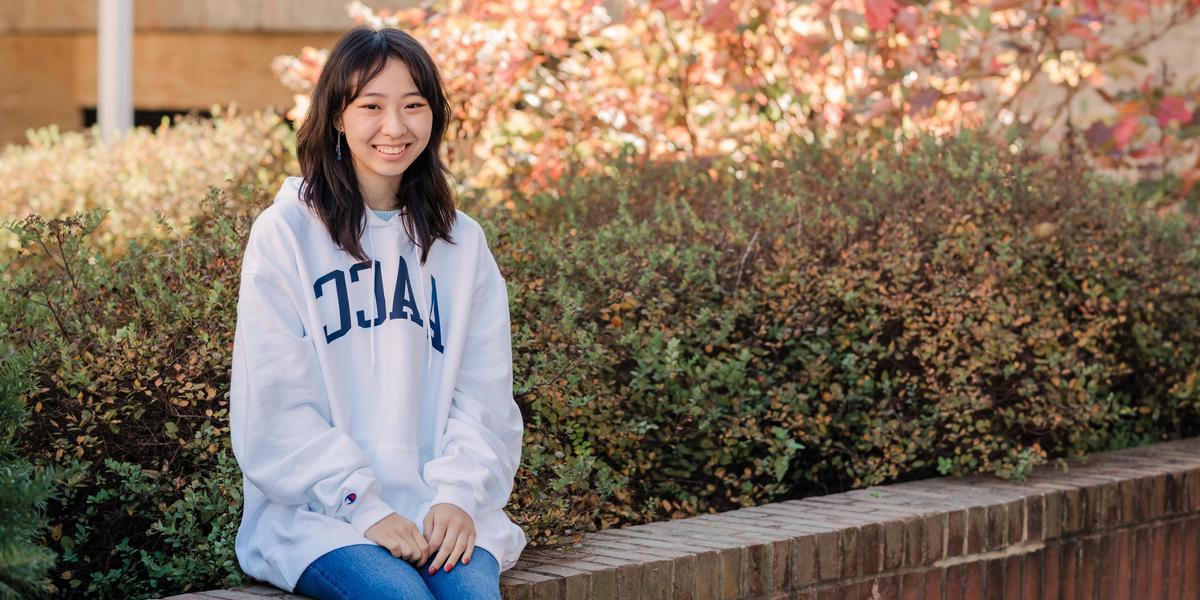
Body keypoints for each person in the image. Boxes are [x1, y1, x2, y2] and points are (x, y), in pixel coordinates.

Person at [229, 26, 526, 599]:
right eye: (372, 106)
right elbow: (274, 401)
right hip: (321, 516)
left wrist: (457, 496)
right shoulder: (286, 234)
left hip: (442, 507)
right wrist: (360, 503)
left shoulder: (462, 244)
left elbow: (484, 395)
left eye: (414, 106)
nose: (395, 127)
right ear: (338, 116)